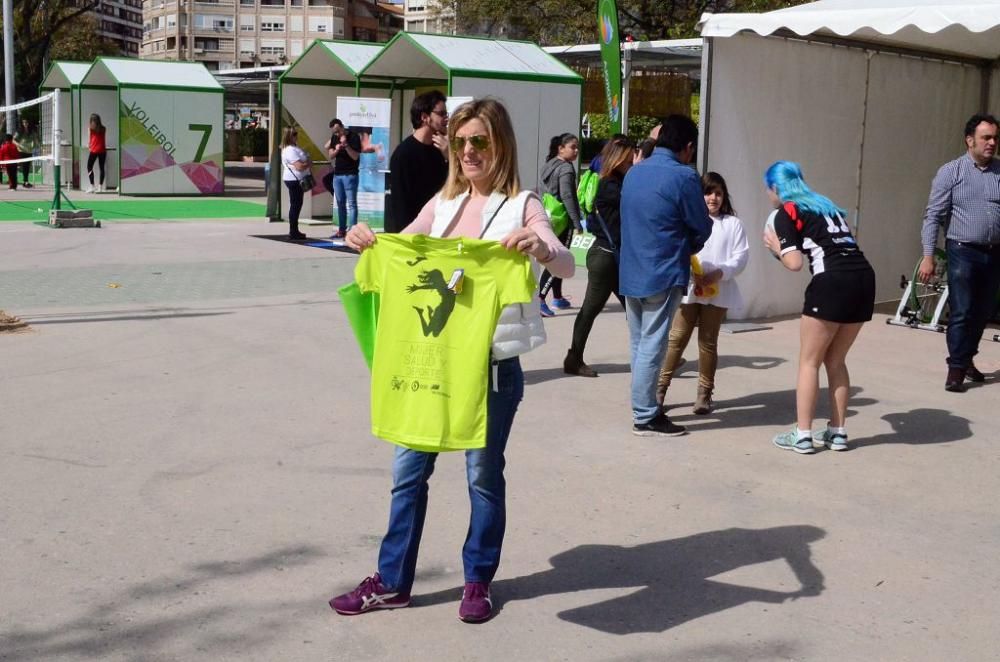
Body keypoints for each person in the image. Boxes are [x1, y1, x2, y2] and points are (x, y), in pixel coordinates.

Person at [331, 98, 574, 624]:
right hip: (431, 365)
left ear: (500, 143)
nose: (468, 151)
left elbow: (567, 261)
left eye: (479, 141)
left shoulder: (523, 204)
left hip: (489, 370)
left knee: (483, 478)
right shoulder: (441, 205)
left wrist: (541, 247)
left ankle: (478, 581)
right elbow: (400, 245)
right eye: (460, 141)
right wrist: (364, 239)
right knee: (406, 475)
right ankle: (392, 581)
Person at [762, 160, 875, 454]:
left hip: (832, 282)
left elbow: (795, 263)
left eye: (768, 189)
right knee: (836, 360)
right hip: (863, 279)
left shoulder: (785, 212)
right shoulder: (827, 206)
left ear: (775, 188)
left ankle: (802, 436)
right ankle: (837, 433)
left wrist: (776, 249)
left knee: (809, 361)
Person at [619, 115, 713, 437]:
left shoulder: (634, 172)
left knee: (638, 343)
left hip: (631, 271)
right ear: (688, 147)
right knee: (653, 345)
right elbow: (702, 225)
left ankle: (642, 405)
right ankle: (645, 415)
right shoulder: (684, 177)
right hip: (663, 269)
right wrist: (689, 243)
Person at [918, 113, 1000, 392]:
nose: (992, 143)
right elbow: (932, 216)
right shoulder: (951, 172)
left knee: (983, 311)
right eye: (985, 137)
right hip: (962, 250)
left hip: (994, 253)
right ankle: (956, 368)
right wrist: (928, 256)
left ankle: (966, 359)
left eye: (995, 138)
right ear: (970, 140)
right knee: (963, 310)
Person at [656, 172, 749, 414]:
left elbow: (741, 257)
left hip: (719, 292)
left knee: (708, 342)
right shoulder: (689, 221)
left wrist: (721, 272)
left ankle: (704, 393)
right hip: (689, 289)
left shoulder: (733, 224)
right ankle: (659, 389)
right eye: (708, 192)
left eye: (718, 193)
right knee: (677, 339)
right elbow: (678, 249)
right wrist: (690, 273)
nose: (713, 198)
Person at [564, 136, 633, 377]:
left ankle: (657, 356)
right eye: (628, 157)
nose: (632, 161)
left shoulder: (619, 182)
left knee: (634, 309)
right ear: (618, 159)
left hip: (614, 258)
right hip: (605, 258)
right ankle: (574, 358)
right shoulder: (611, 186)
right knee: (590, 310)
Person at [386, 90, 449, 233]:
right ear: (425, 117)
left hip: (438, 230)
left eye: (446, 114)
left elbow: (455, 188)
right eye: (441, 114)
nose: (446, 118)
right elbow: (400, 205)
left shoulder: (441, 149)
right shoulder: (404, 154)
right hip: (413, 234)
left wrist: (450, 158)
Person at [538, 132, 582, 317]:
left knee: (556, 256)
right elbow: (567, 196)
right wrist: (576, 221)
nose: (576, 150)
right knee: (557, 259)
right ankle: (540, 299)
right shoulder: (566, 168)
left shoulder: (549, 164)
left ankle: (557, 297)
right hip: (563, 220)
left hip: (550, 217)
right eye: (572, 147)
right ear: (561, 148)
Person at [323, 118, 361, 239]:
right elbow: (330, 155)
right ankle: (341, 230)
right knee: (340, 203)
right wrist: (337, 149)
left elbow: (355, 157)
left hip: (350, 175)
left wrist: (346, 145)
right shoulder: (334, 137)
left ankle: (352, 232)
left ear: (342, 127)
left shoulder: (354, 137)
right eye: (334, 132)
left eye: (338, 131)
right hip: (337, 175)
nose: (337, 134)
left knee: (352, 204)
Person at [280, 127, 310, 241]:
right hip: (294, 179)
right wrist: (308, 163)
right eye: (294, 134)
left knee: (296, 204)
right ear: (289, 136)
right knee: (295, 205)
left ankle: (294, 230)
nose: (297, 136)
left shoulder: (293, 148)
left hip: (295, 179)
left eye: (296, 133)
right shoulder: (290, 150)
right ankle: (293, 231)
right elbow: (299, 166)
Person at [13, 119, 39, 188]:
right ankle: (21, 182)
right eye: (23, 122)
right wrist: (19, 145)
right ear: (22, 123)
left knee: (27, 167)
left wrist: (39, 147)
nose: (25, 124)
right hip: (21, 151)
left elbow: (35, 140)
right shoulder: (19, 131)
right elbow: (13, 140)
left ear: (28, 123)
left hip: (29, 151)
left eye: (26, 122)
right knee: (22, 166)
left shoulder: (32, 131)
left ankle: (25, 182)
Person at [86, 114, 107, 193]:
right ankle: (100, 187)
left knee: (89, 166)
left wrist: (89, 146)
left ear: (92, 121)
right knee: (101, 168)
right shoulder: (103, 128)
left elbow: (89, 141)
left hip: (94, 151)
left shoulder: (90, 129)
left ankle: (92, 186)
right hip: (102, 150)